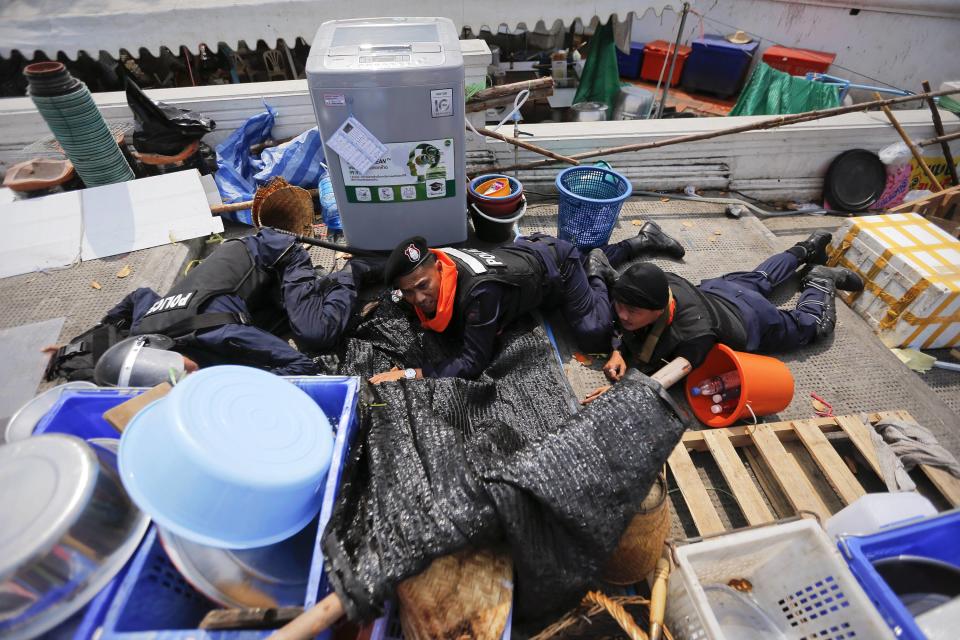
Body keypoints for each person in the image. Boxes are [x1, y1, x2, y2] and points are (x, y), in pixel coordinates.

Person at [46, 228, 380, 386]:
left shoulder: (220, 332)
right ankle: (290, 296)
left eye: (183, 371)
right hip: (241, 280)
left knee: (314, 332)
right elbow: (139, 295)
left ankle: (352, 274)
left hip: (273, 252)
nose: (190, 373)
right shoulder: (142, 329)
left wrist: (228, 387)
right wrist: (81, 342)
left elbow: (300, 366)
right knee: (272, 324)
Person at [368, 222, 685, 383]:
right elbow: (405, 290)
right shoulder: (438, 262)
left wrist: (412, 373)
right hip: (528, 256)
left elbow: (473, 361)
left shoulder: (479, 293)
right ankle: (639, 241)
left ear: (437, 268)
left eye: (423, 286)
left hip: (555, 267)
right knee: (581, 269)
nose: (418, 298)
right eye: (408, 292)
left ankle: (600, 272)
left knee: (593, 331)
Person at [583, 230, 864, 402]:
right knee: (760, 277)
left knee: (812, 327)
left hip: (753, 318)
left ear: (657, 310)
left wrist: (619, 395)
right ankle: (807, 248)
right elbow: (621, 316)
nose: (622, 315)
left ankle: (819, 279)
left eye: (632, 311)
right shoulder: (657, 284)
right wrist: (618, 350)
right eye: (620, 305)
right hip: (722, 291)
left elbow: (665, 378)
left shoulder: (694, 336)